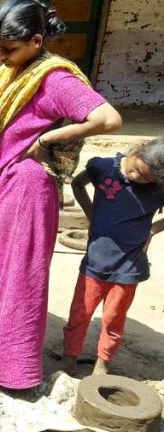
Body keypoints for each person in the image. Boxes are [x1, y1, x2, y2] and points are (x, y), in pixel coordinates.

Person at [0, 0, 122, 389]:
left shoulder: (54, 79)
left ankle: (7, 366)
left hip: (26, 191)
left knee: (13, 278)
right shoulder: (15, 72)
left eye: (7, 49)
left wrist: (49, 136)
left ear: (36, 40)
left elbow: (109, 119)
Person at [58, 138, 164, 376]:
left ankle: (102, 364)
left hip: (128, 267)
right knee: (79, 313)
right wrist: (90, 213)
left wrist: (152, 229)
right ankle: (69, 358)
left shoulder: (158, 189)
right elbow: (77, 184)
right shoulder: (104, 167)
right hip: (95, 262)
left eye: (147, 178)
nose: (138, 177)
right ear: (139, 150)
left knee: (113, 319)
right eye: (136, 169)